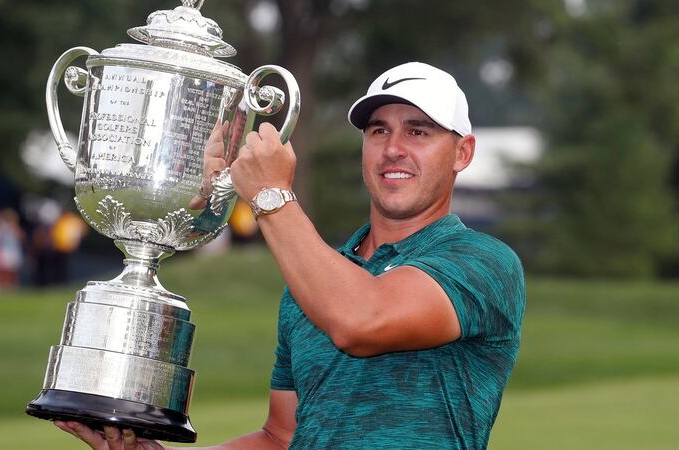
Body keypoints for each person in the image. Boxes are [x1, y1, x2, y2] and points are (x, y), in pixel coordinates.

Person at [56, 62, 526, 450]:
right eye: (378, 130)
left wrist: (270, 195)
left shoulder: (484, 262)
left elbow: (362, 321)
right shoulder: (314, 281)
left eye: (419, 132)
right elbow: (281, 436)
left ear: (462, 153)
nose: (393, 149)